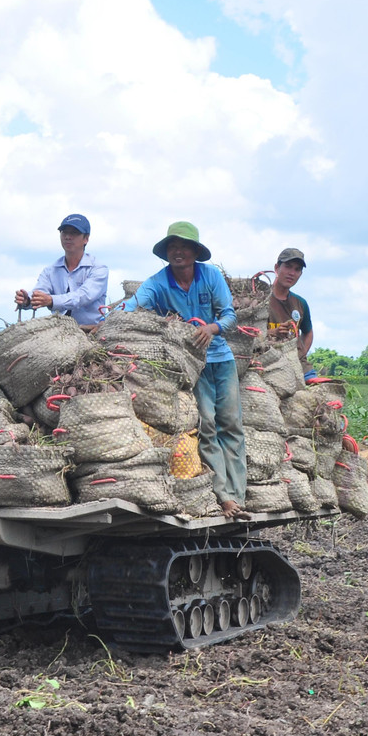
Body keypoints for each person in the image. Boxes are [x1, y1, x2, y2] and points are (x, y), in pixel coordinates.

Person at [120, 221, 248, 519]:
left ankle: (238, 494)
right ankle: (224, 497)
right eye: (173, 247)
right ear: (167, 253)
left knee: (232, 425)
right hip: (192, 366)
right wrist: (105, 323)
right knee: (208, 426)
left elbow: (229, 315)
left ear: (194, 252)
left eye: (184, 246)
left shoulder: (210, 276)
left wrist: (213, 328)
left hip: (222, 359)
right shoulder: (158, 282)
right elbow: (131, 307)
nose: (179, 252)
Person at [15, 213, 109, 328]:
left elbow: (82, 296)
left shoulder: (98, 268)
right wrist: (27, 300)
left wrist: (51, 300)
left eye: (74, 233)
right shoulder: (50, 270)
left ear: (86, 239)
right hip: (60, 332)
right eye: (64, 232)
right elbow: (40, 291)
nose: (68, 237)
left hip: (92, 329)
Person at [266, 247, 316, 380]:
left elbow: (308, 332)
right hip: (268, 362)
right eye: (288, 267)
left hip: (298, 365)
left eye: (297, 269)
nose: (292, 273)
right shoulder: (260, 300)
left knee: (325, 396)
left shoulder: (300, 303)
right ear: (277, 268)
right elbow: (248, 335)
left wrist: (302, 352)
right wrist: (273, 333)